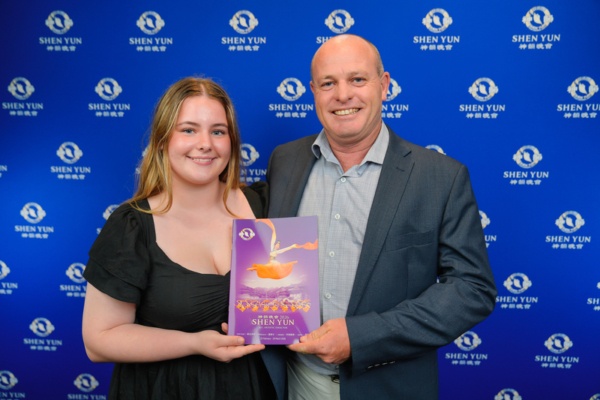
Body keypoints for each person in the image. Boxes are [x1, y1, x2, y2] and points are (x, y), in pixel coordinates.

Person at [264, 34, 497, 399]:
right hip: (296, 382)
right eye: (328, 83)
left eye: (357, 79)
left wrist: (361, 337)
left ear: (384, 85)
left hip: (388, 388)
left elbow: (472, 289)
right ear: (313, 92)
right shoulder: (285, 160)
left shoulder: (440, 177)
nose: (343, 95)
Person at [81, 77, 276, 399]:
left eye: (218, 131)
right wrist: (194, 343)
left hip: (253, 387)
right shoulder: (133, 224)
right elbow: (99, 341)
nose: (205, 144)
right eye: (188, 130)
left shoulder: (265, 205)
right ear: (162, 141)